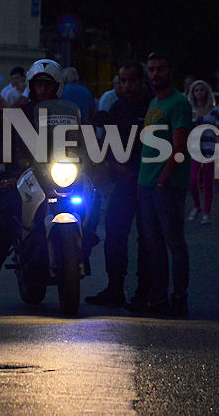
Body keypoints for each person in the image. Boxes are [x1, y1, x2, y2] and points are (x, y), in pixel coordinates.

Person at [0, 59, 66, 308]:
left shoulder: (65, 114)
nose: (42, 91)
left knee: (89, 209)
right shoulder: (18, 113)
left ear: (56, 87)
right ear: (31, 87)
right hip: (24, 180)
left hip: (60, 177)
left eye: (47, 86)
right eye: (38, 85)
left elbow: (83, 144)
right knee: (4, 223)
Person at [85, 63, 152, 308]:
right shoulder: (118, 105)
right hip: (123, 180)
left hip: (147, 181)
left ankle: (145, 292)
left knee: (147, 239)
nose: (126, 86)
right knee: (114, 233)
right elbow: (107, 138)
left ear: (141, 81)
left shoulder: (152, 105)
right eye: (122, 81)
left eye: (131, 80)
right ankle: (115, 288)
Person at [136, 52, 192, 316]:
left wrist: (163, 179)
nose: (155, 74)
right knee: (153, 245)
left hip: (165, 185)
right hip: (146, 183)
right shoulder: (153, 102)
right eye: (152, 69)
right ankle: (158, 297)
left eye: (160, 68)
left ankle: (179, 296)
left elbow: (180, 147)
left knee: (173, 243)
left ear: (170, 71)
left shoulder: (179, 103)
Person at [185, 80, 219, 225]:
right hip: (194, 147)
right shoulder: (190, 109)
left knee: (208, 182)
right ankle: (196, 206)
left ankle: (207, 211)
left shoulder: (214, 110)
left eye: (201, 90)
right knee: (192, 180)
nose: (199, 93)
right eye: (196, 90)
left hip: (209, 148)